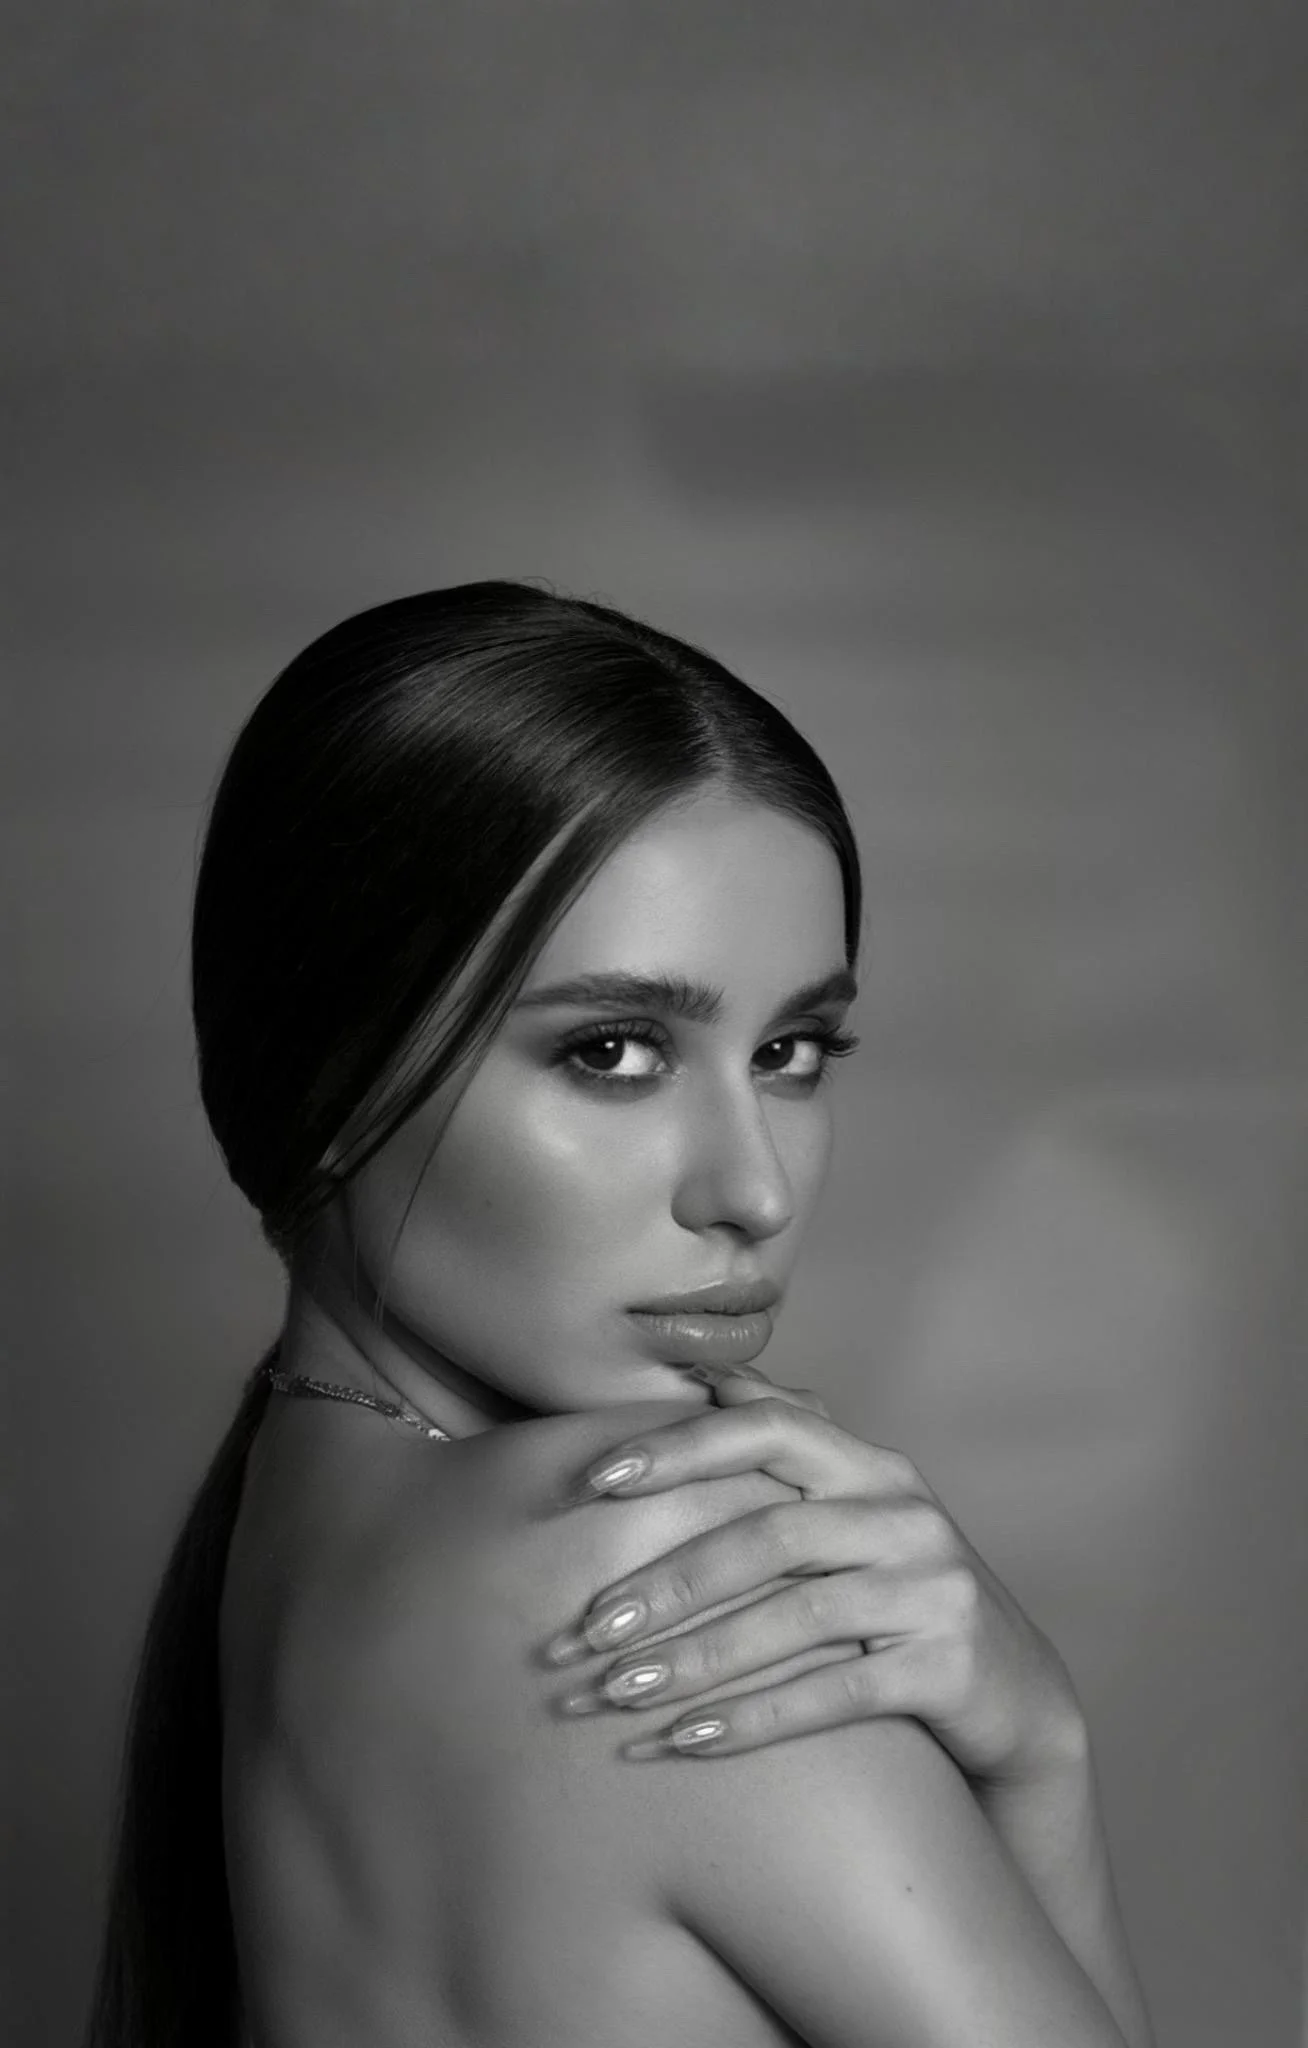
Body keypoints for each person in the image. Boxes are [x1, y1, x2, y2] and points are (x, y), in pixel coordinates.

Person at [85, 582, 1154, 2047]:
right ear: (331, 1071)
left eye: (792, 1050)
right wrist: (1042, 1761)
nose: (753, 1191)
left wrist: (1040, 1748)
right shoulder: (659, 1586)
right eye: (613, 1051)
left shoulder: (300, 1523)